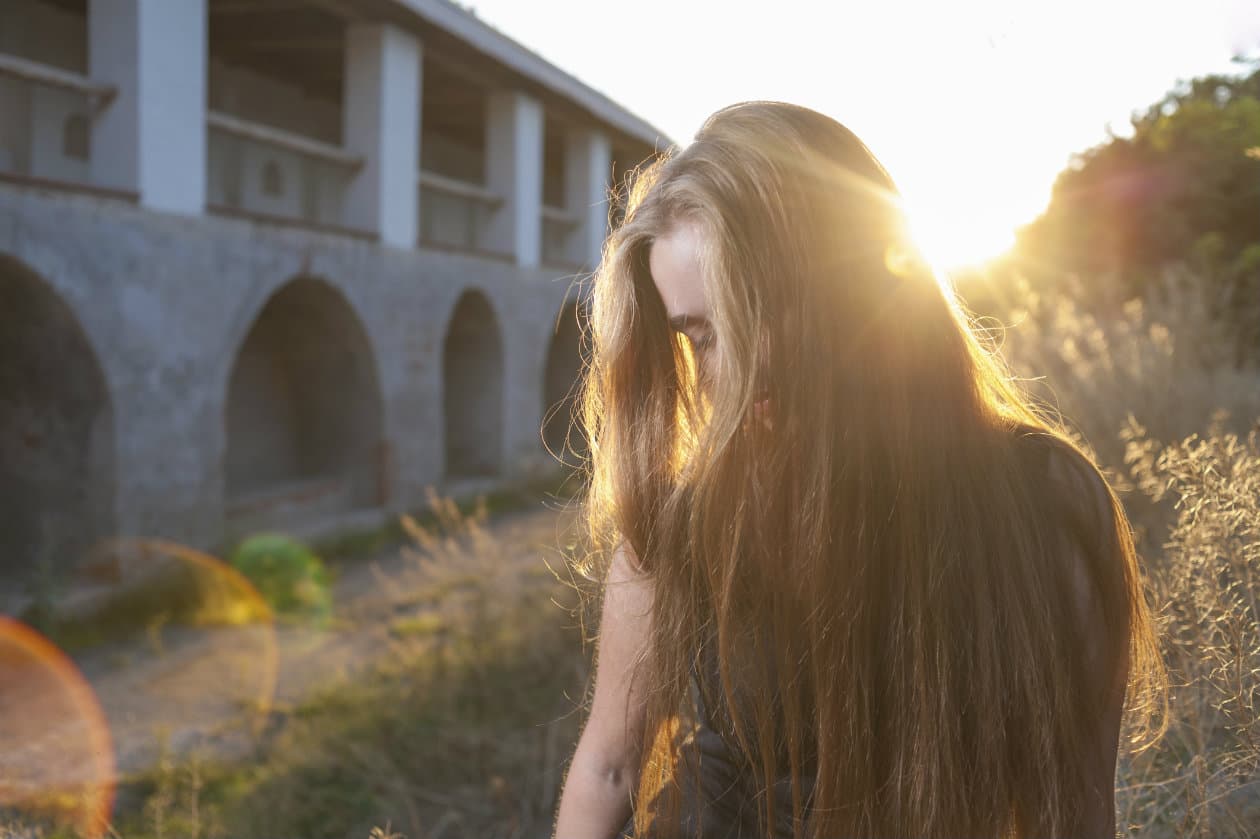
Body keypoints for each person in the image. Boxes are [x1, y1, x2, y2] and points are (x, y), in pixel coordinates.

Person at [551, 101, 1166, 839]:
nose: (747, 369)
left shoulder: (1044, 502)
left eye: (765, 312)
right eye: (703, 335)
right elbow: (611, 764)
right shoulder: (686, 521)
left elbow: (1075, 809)